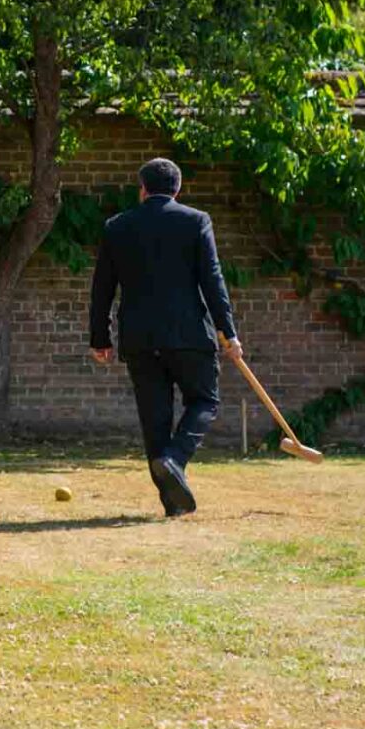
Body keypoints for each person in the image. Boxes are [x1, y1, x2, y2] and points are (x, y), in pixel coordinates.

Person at [88, 157, 242, 517]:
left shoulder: (117, 226)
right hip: (189, 335)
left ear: (142, 189)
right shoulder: (195, 221)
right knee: (204, 401)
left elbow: (102, 289)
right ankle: (174, 460)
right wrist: (228, 332)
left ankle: (173, 501)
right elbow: (212, 281)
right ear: (178, 188)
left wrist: (100, 338)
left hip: (140, 339)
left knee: (154, 419)